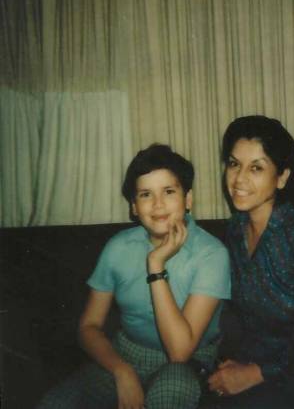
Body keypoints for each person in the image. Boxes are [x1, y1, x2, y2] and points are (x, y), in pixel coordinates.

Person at [37, 144, 231, 409]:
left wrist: (155, 264)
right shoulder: (118, 247)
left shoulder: (212, 254)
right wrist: (121, 371)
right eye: (146, 194)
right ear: (134, 207)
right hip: (126, 355)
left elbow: (180, 351)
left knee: (169, 392)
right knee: (54, 403)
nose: (158, 204)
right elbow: (88, 326)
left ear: (188, 200)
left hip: (188, 363)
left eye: (169, 192)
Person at [206, 115, 294, 408]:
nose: (239, 179)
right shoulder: (236, 229)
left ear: (282, 177)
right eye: (234, 164)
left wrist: (254, 373)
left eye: (256, 167)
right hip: (256, 363)